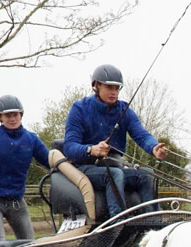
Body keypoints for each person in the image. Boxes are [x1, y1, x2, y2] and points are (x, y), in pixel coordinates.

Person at [63, 64, 168, 219]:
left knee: (147, 175)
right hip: (85, 167)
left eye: (117, 88)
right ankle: (117, 223)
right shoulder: (80, 108)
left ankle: (154, 223)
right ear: (96, 86)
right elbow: (69, 147)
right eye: (109, 87)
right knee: (114, 174)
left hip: (114, 166)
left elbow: (141, 134)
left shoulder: (124, 110)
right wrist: (91, 150)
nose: (114, 92)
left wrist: (154, 148)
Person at [0, 95, 50, 242]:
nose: (12, 119)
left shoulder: (31, 139)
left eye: (15, 115)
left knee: (29, 243)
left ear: (21, 114)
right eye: (8, 115)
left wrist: (67, 166)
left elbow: (49, 160)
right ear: (0, 117)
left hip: (16, 200)